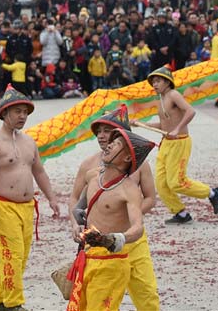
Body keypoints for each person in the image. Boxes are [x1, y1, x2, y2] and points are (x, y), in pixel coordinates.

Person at [69, 105, 160, 311]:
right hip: (97, 244)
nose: (102, 137)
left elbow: (150, 198)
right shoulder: (90, 168)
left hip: (132, 241)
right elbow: (76, 200)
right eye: (98, 131)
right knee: (94, 299)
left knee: (146, 294)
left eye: (108, 131)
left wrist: (125, 217)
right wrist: (75, 224)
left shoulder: (138, 166)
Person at [0, 86, 61, 311]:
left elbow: (39, 172)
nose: (22, 116)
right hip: (2, 206)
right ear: (4, 114)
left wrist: (52, 198)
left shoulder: (28, 142)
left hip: (26, 206)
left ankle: (1, 301)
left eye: (25, 111)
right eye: (17, 111)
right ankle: (14, 304)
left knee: (19, 256)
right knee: (12, 254)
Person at [138, 66, 218, 224]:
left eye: (158, 81)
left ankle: (212, 193)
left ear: (167, 82)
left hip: (180, 142)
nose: (155, 84)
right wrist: (140, 124)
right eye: (153, 82)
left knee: (176, 182)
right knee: (161, 184)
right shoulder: (161, 100)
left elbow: (190, 111)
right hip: (167, 144)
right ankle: (181, 214)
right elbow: (164, 126)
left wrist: (177, 129)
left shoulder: (173, 94)